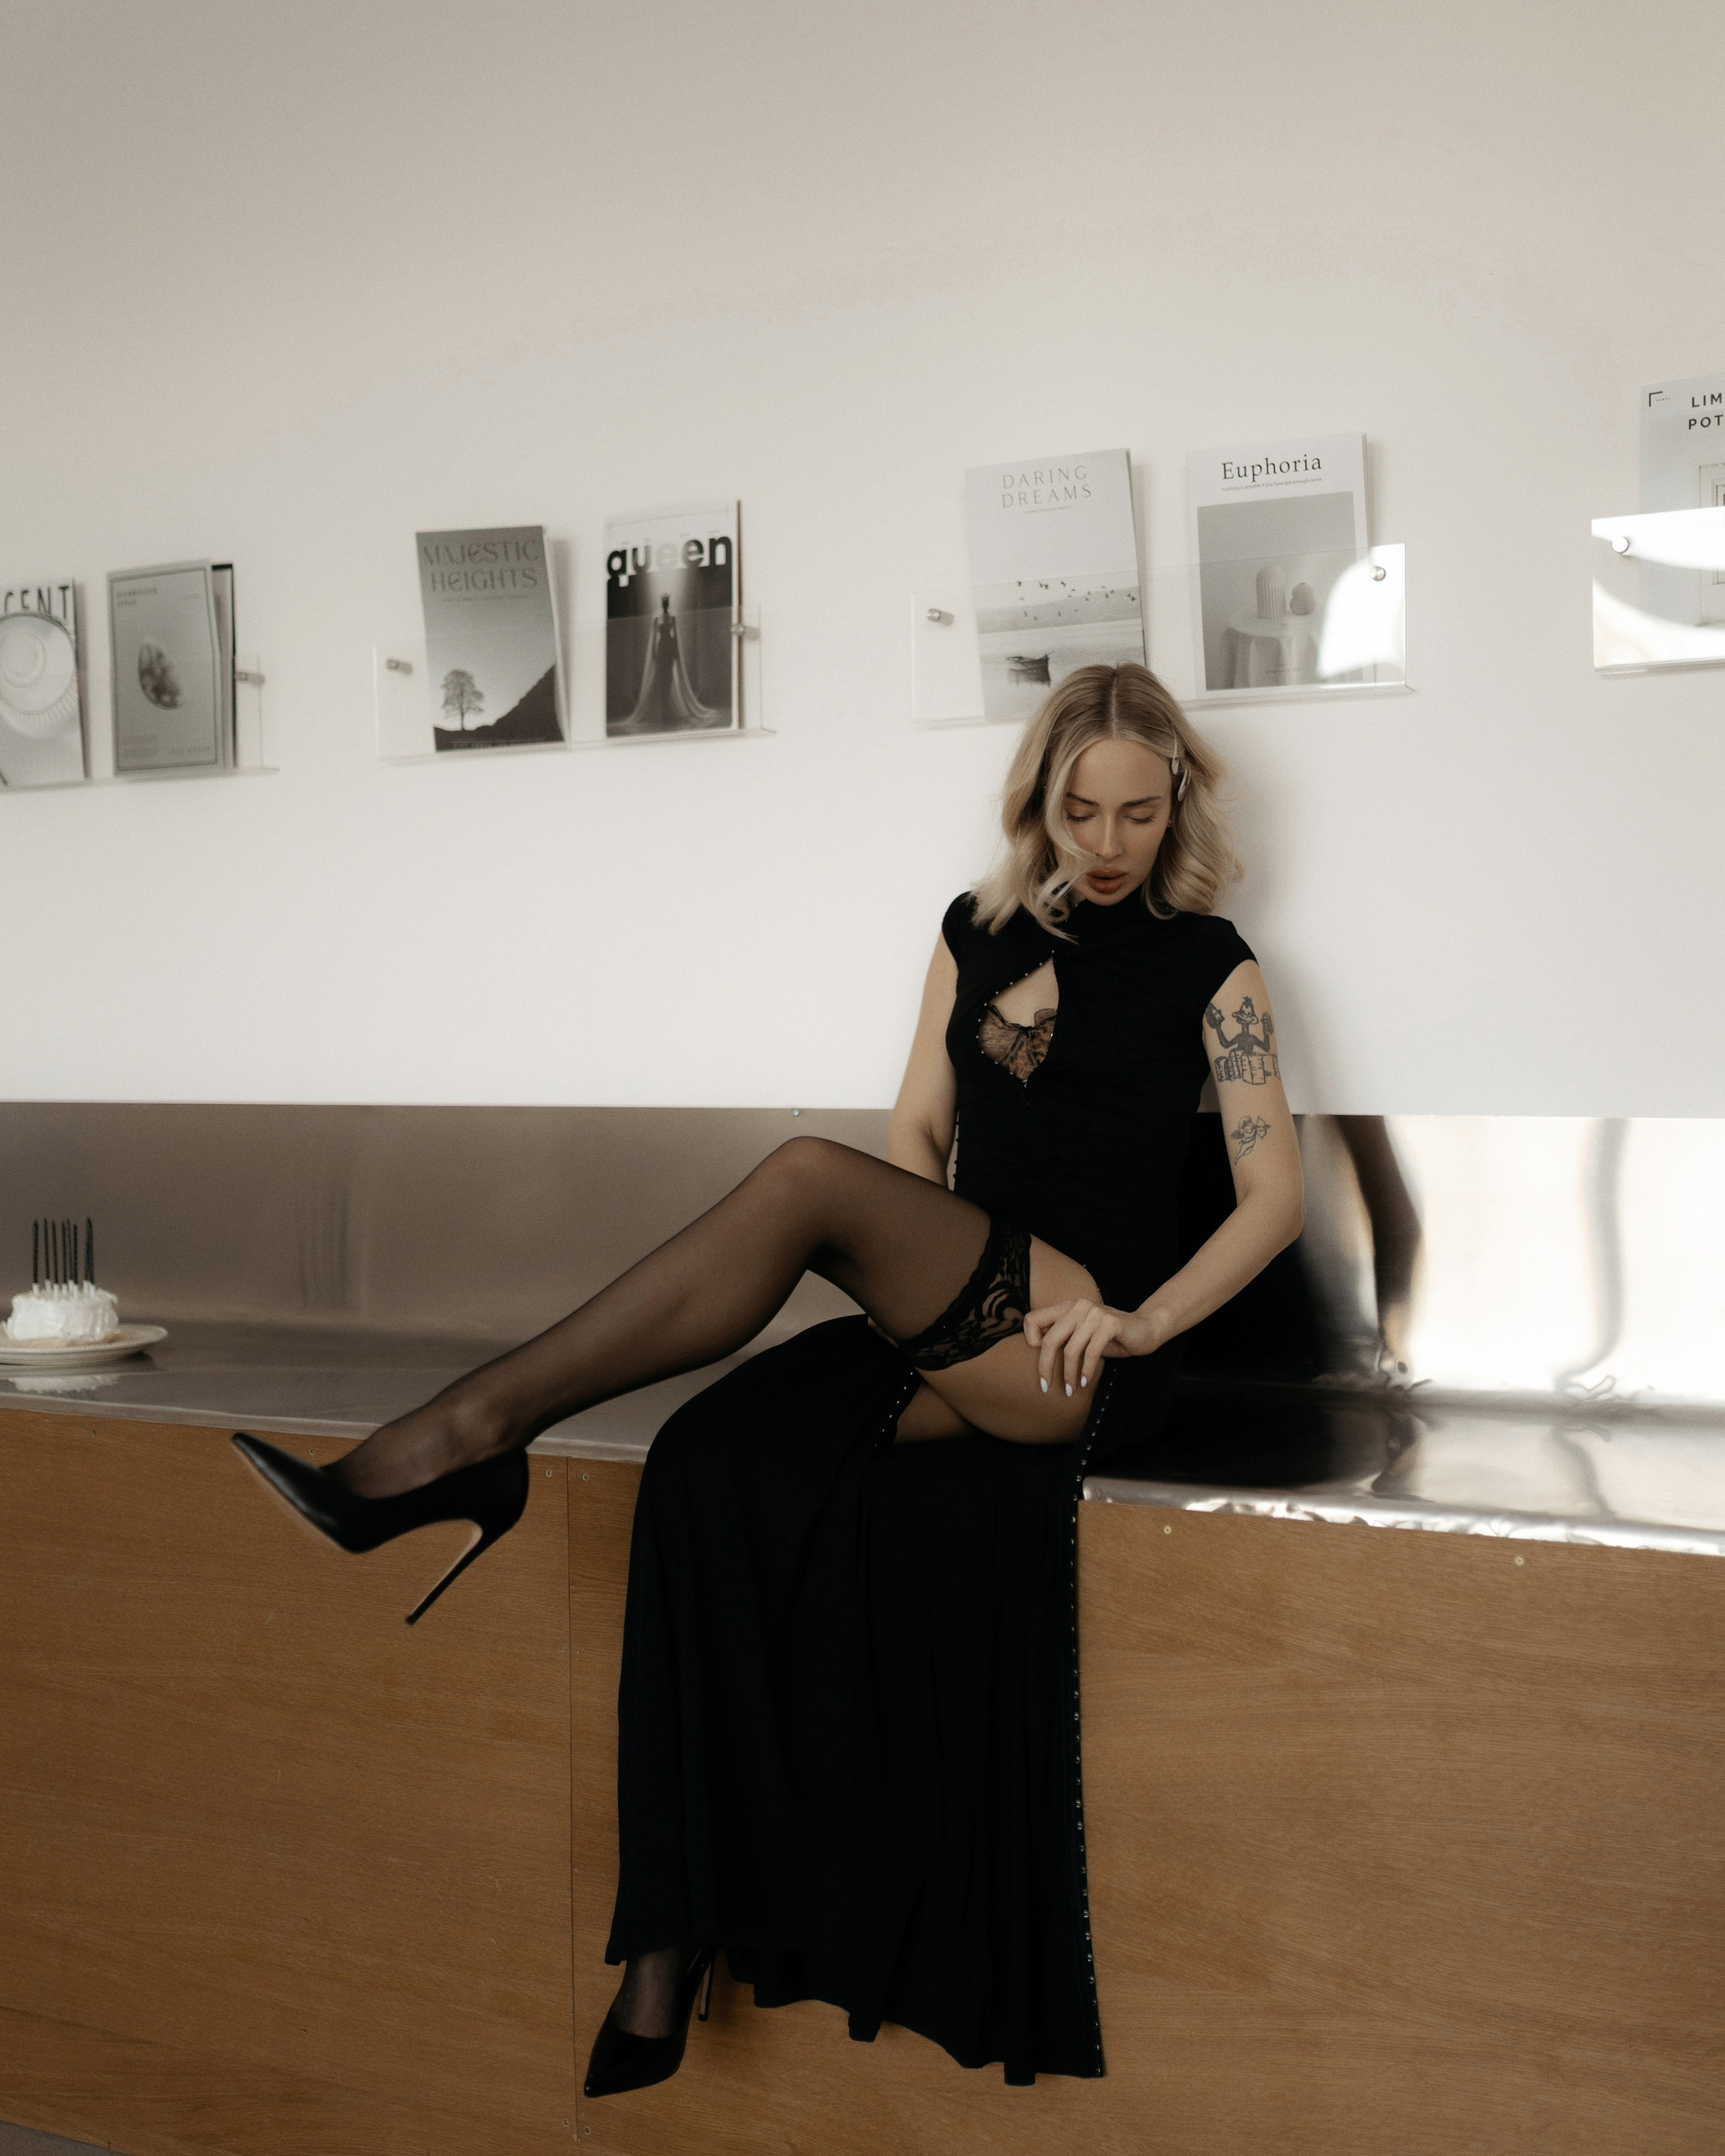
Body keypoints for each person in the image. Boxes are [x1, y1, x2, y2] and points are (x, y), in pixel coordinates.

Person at [233, 661, 1302, 2091]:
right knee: (707, 1463)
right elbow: (916, 1132)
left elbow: (1273, 1197)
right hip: (968, 1320)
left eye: (1138, 814)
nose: (1107, 844)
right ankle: (669, 1946)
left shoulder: (1213, 964)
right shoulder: (974, 933)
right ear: (1038, 805)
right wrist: (924, 1281)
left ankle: (460, 1438)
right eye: (1080, 812)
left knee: (804, 1178)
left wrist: (1143, 1324)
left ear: (1178, 808)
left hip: (1078, 1348)